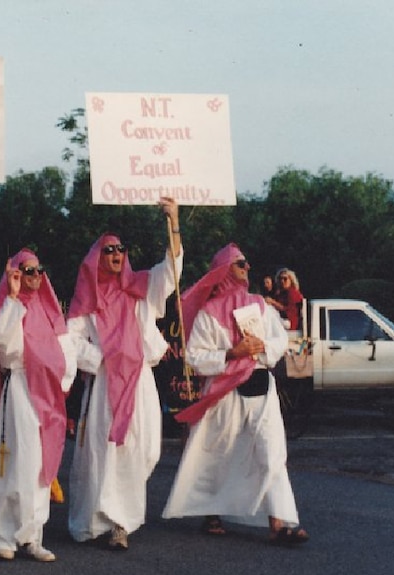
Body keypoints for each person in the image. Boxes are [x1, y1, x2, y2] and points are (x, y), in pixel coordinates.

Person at [163, 243, 309, 547]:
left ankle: (279, 523)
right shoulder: (208, 314)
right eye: (241, 263)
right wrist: (233, 352)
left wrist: (259, 350)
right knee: (219, 453)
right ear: (225, 269)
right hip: (224, 392)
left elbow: (279, 341)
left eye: (247, 263)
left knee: (271, 454)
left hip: (260, 387)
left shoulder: (258, 305)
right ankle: (211, 511)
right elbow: (195, 357)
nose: (248, 268)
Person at [66, 197, 182, 550]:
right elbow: (69, 340)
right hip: (104, 383)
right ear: (98, 258)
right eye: (110, 250)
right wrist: (100, 357)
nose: (117, 255)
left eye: (121, 250)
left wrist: (173, 222)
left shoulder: (141, 288)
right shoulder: (87, 298)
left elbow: (172, 270)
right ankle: (114, 522)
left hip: (139, 381)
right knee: (105, 450)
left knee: (143, 448)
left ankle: (122, 512)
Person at [0, 248, 77, 561]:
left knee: (42, 466)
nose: (33, 276)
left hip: (49, 396)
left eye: (37, 270)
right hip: (20, 387)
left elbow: (67, 353)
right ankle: (0, 535)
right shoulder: (8, 308)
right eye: (25, 271)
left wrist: (62, 385)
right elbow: (1, 343)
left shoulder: (50, 312)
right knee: (15, 462)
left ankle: (33, 535)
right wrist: (13, 297)